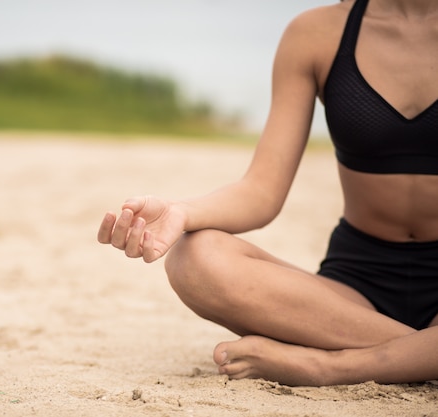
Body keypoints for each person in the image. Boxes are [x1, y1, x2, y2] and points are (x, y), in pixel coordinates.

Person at [97, 0, 438, 387]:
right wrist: (181, 211)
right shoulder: (317, 33)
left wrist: (327, 366)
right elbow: (261, 191)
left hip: (364, 318)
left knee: (331, 363)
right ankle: (419, 356)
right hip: (355, 286)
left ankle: (329, 366)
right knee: (193, 258)